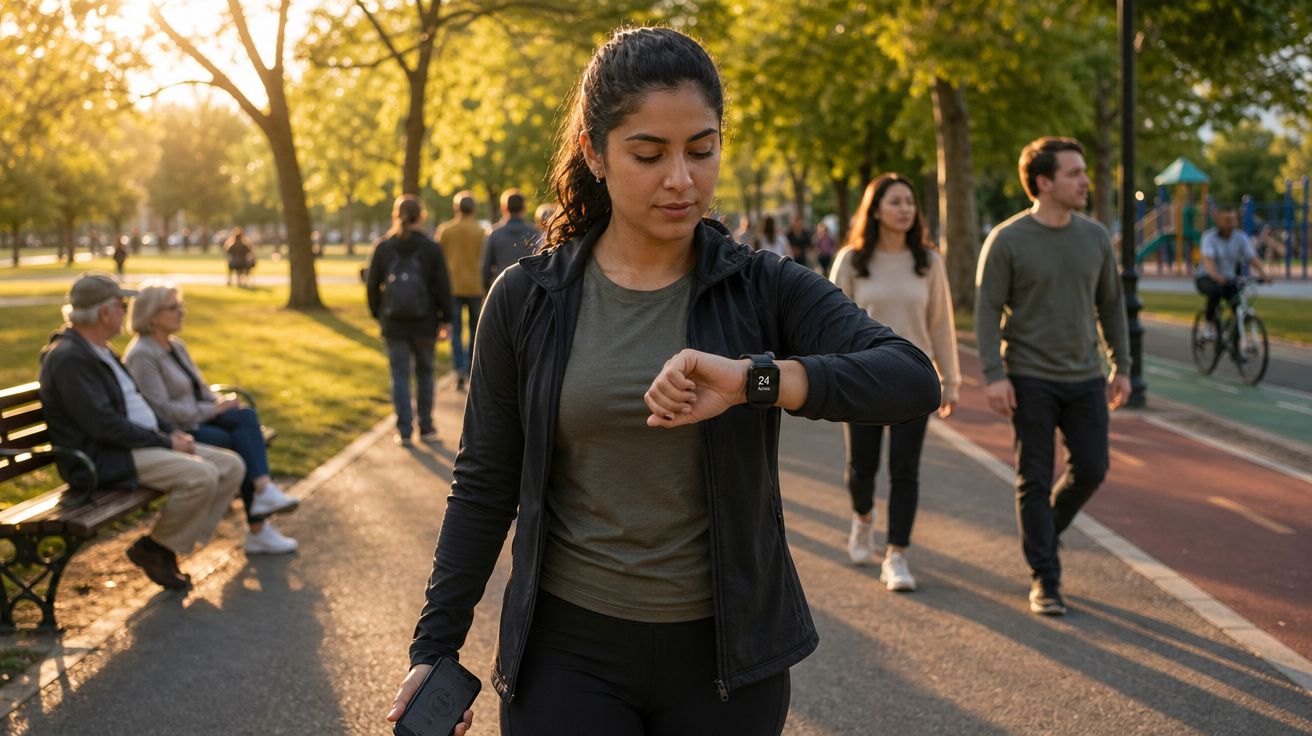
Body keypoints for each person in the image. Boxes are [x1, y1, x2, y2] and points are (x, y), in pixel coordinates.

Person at [388, 27, 941, 736]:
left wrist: (754, 380)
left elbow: (910, 378)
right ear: (596, 152)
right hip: (566, 655)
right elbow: (483, 483)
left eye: (702, 150)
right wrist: (435, 646)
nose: (682, 178)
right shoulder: (527, 299)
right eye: (649, 154)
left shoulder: (761, 287)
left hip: (726, 659)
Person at [975, 136, 1131, 617]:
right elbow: (985, 309)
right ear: (1043, 183)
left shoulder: (1096, 237)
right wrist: (994, 374)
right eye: (1074, 173)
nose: (1086, 180)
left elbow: (1111, 304)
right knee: (1034, 479)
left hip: (1084, 376)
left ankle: (1045, 532)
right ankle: (1045, 577)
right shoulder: (1007, 239)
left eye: (1084, 171)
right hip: (1029, 377)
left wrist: (1121, 365)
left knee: (1092, 467)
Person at [38, 273, 245, 590]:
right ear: (104, 313)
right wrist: (165, 441)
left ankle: (164, 546)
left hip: (137, 445)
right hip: (103, 458)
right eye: (121, 304)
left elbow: (140, 404)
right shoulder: (69, 359)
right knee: (200, 475)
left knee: (230, 465)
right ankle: (155, 549)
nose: (126, 311)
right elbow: (102, 425)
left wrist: (170, 433)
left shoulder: (101, 350)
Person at [829, 173, 960, 591]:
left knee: (905, 470)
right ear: (876, 210)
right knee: (862, 468)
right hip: (862, 376)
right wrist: (829, 375)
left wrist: (951, 380)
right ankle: (863, 518)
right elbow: (827, 321)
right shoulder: (852, 260)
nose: (905, 209)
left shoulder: (929, 262)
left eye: (910, 202)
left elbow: (941, 324)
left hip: (914, 379)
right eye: (895, 202)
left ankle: (897, 555)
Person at [123, 282, 300, 555]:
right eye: (174, 307)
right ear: (152, 316)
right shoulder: (141, 355)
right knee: (234, 442)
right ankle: (259, 528)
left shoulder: (176, 346)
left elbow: (202, 390)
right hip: (177, 430)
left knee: (245, 416)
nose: (181, 311)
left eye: (181, 305)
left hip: (200, 418)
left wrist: (221, 403)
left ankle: (263, 494)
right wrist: (214, 411)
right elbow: (162, 411)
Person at [366, 194, 453, 447]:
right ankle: (426, 427)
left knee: (400, 375)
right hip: (425, 322)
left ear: (396, 215)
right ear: (421, 216)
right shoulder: (431, 248)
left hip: (393, 322)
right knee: (425, 373)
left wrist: (379, 314)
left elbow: (372, 285)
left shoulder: (383, 247)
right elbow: (442, 286)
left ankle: (404, 430)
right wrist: (445, 319)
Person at [1195, 206, 1271, 338]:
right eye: (1227, 220)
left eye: (1232, 220)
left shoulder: (1240, 237)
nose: (1230, 224)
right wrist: (1215, 275)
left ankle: (1235, 344)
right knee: (1215, 292)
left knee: (1238, 306)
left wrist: (1264, 274)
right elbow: (1208, 260)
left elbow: (1252, 257)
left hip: (1229, 279)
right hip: (1206, 277)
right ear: (1218, 221)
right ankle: (1208, 324)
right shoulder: (1209, 237)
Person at [437, 192, 486, 390]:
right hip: (475, 286)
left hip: (453, 286)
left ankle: (458, 368)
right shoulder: (481, 232)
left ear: (456, 208)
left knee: (455, 330)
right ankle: (470, 367)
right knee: (476, 330)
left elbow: (439, 260)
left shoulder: (446, 230)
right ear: (473, 209)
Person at [481, 189, 539, 292]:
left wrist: (487, 291)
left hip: (502, 288)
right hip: (529, 289)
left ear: (503, 208)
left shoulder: (494, 233)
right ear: (524, 208)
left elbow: (486, 268)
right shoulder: (535, 232)